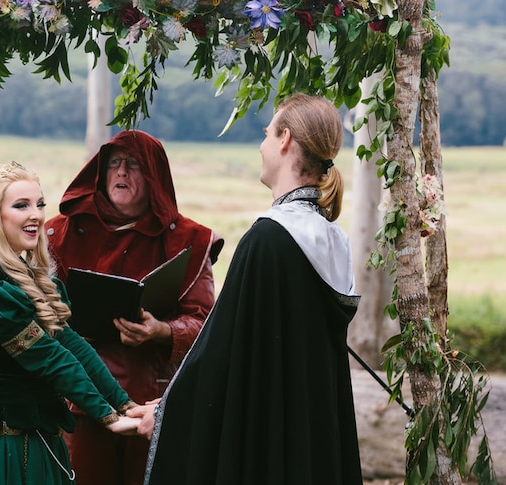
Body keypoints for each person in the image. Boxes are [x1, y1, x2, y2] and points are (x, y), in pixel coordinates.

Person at [127, 93, 364, 484]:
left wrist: (167, 410)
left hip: (270, 435)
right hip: (312, 432)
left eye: (267, 133)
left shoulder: (269, 239)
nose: (262, 144)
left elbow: (222, 349)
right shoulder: (331, 239)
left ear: (285, 140)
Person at [0, 162, 140, 485]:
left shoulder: (20, 277)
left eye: (39, 204)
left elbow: (73, 346)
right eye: (21, 205)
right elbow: (50, 358)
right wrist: (108, 418)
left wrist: (124, 404)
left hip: (42, 444)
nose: (36, 214)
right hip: (8, 454)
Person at [45, 130, 224, 485]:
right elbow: (38, 315)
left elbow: (205, 323)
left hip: (154, 403)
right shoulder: (61, 233)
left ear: (153, 177)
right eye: (114, 163)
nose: (122, 172)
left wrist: (161, 330)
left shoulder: (186, 239)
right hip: (80, 398)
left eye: (134, 165)